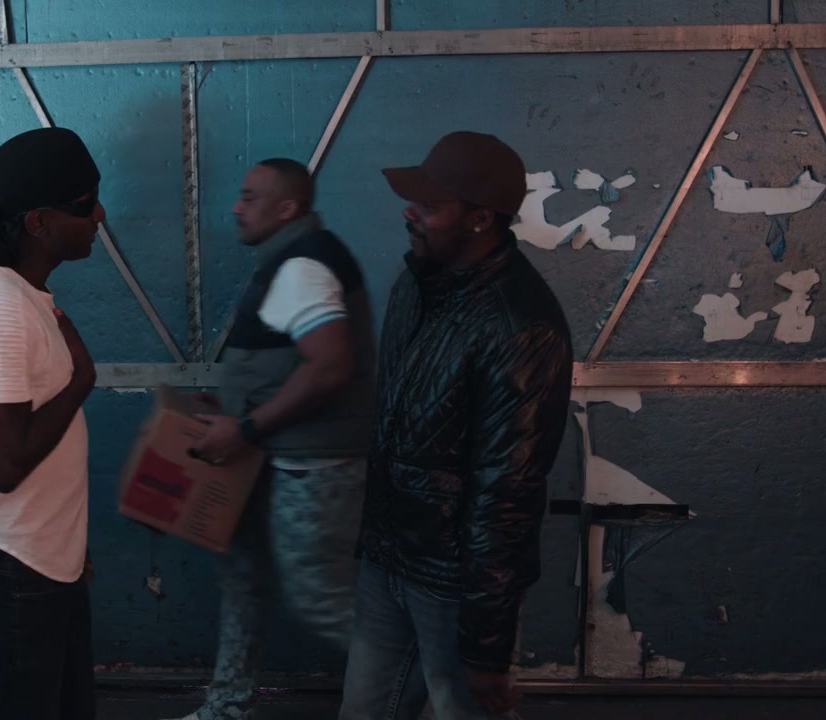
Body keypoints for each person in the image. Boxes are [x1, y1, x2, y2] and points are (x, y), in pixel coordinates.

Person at [339, 132, 574, 720]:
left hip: (452, 587)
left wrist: (486, 645)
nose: (409, 213)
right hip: (388, 560)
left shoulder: (521, 326)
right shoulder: (417, 285)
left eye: (429, 205)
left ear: (480, 218)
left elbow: (507, 493)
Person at [175, 158, 377, 720]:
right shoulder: (290, 260)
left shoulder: (303, 266)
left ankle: (437, 694)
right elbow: (288, 362)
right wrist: (236, 407)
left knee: (321, 597)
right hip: (270, 457)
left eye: (250, 197)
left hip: (311, 464)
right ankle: (227, 706)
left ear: (287, 208)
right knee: (243, 579)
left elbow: (330, 366)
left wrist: (245, 426)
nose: (236, 208)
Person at [0, 127, 104, 720]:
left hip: (37, 560)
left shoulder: (24, 296)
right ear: (38, 223)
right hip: (8, 568)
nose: (100, 216)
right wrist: (81, 382)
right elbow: (3, 466)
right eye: (84, 205)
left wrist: (70, 545)